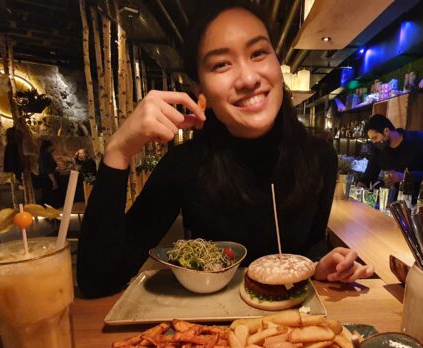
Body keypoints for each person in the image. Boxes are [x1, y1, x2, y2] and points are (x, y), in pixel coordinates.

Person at [77, 1, 374, 298]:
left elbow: (310, 246)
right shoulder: (185, 165)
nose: (247, 78)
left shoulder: (319, 155)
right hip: (215, 333)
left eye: (258, 53)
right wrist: (118, 151)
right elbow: (98, 281)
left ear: (277, 64)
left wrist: (321, 266)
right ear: (199, 90)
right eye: (221, 64)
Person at [357, 114, 423, 188]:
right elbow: (369, 176)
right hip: (393, 201)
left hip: (421, 198)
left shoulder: (421, 139)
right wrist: (359, 188)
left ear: (386, 131)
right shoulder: (378, 149)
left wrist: (405, 176)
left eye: (375, 138)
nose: (374, 142)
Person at [38, 140, 62, 208]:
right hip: (48, 179)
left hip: (47, 178)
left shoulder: (43, 155)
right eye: (52, 146)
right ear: (48, 147)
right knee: (50, 197)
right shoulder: (46, 155)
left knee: (48, 197)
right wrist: (53, 181)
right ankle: (50, 214)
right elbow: (48, 169)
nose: (54, 147)